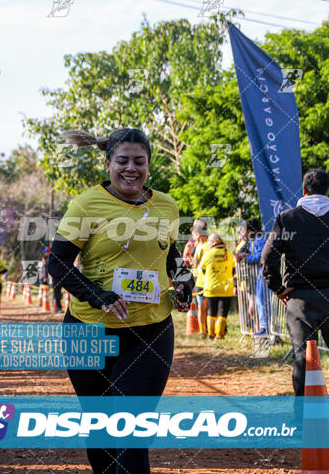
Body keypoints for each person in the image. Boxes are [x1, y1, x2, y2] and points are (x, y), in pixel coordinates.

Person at [48, 128, 194, 474]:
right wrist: (98, 296)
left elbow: (170, 253)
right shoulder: (88, 204)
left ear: (148, 165)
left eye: (139, 162)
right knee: (101, 433)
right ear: (108, 162)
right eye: (123, 161)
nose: (131, 169)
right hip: (89, 331)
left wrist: (186, 281)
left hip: (150, 331)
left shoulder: (167, 206)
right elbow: (57, 262)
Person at [262, 168, 329, 396]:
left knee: (304, 357)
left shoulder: (287, 218)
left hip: (300, 299)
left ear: (303, 190)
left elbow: (268, 256)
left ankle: (304, 415)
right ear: (327, 190)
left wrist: (278, 288)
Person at [199, 233, 235, 339]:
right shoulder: (228, 254)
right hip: (226, 288)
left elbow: (202, 269)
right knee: (223, 312)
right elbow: (234, 269)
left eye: (209, 241)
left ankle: (211, 334)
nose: (208, 244)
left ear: (214, 242)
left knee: (211, 311)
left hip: (211, 288)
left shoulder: (207, 254)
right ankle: (219, 335)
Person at [241, 219, 268, 336]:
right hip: (259, 273)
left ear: (250, 230)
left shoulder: (259, 240)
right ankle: (264, 327)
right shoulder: (254, 240)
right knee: (260, 300)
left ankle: (265, 327)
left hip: (264, 273)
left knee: (262, 301)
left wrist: (246, 258)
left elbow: (261, 256)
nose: (242, 233)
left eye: (243, 230)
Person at [191, 221, 209, 336]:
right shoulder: (198, 245)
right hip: (199, 281)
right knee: (200, 306)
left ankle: (211, 329)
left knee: (207, 306)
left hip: (208, 281)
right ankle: (202, 331)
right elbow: (195, 263)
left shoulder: (208, 245)